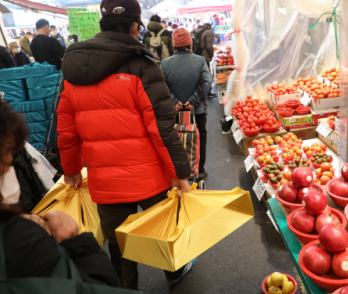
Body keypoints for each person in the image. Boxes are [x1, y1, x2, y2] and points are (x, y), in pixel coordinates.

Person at [57, 0, 193, 289]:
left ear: (101, 25)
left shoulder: (74, 68)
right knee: (162, 231)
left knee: (119, 245)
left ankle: (125, 288)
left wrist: (70, 170)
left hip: (105, 183)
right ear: (134, 28)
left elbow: (66, 129)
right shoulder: (142, 65)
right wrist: (180, 174)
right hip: (150, 178)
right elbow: (162, 129)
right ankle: (175, 273)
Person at [0, 99, 121, 287]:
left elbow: (66, 131)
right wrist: (78, 245)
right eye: (8, 165)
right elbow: (95, 288)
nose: (10, 172)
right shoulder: (20, 242)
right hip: (123, 175)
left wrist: (71, 168)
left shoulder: (69, 84)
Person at [160, 28, 211, 179]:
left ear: (174, 45)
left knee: (176, 140)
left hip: (174, 111)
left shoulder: (164, 63)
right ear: (190, 43)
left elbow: (161, 86)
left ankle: (180, 172)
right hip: (197, 111)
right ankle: (199, 170)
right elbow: (207, 82)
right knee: (199, 138)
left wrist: (175, 102)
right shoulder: (200, 60)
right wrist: (193, 101)